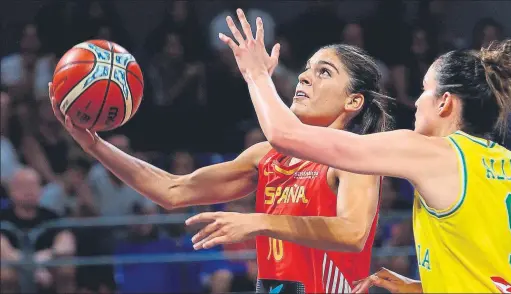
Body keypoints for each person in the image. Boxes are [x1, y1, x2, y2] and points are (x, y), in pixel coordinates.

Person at [48, 15, 392, 294]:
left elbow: (352, 233)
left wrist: (257, 222)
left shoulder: (357, 155)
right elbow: (173, 190)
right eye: (307, 68)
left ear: (353, 101)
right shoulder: (267, 157)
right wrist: (93, 144)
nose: (304, 77)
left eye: (323, 72)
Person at [218, 10, 511, 293]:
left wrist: (256, 74)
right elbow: (506, 274)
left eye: (425, 91)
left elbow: (284, 135)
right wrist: (423, 286)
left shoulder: (430, 151)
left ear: (445, 102)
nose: (416, 102)